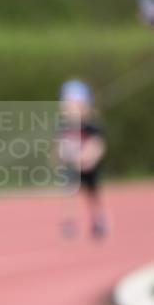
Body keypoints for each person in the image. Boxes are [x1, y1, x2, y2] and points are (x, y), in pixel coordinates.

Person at [56, 79, 107, 238]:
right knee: (69, 193)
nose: (73, 110)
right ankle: (69, 222)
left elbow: (97, 145)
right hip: (71, 168)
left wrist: (87, 158)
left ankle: (98, 219)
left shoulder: (91, 127)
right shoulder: (63, 127)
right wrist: (63, 157)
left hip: (88, 168)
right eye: (69, 106)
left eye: (77, 105)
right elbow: (59, 147)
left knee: (93, 194)